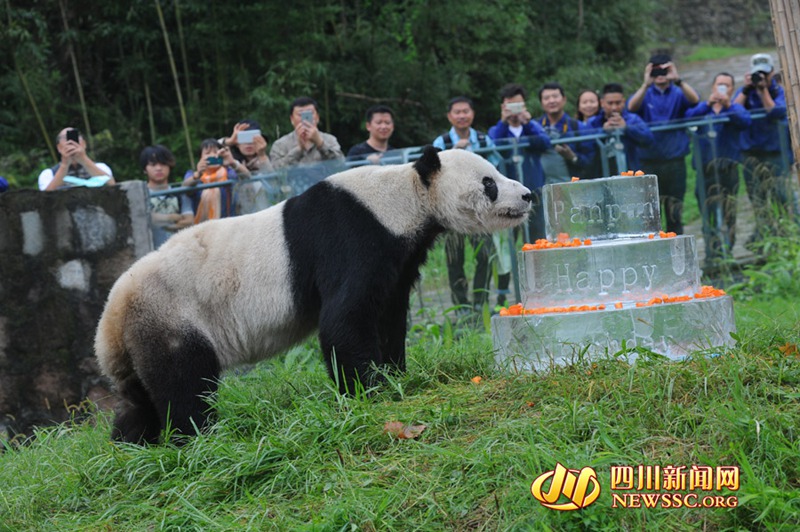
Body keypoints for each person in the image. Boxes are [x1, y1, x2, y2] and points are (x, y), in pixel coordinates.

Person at [433, 96, 502, 311]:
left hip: (482, 209)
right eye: (457, 112)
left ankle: (480, 303)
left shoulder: (483, 140)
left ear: (472, 113)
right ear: (449, 116)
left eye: (465, 111)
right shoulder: (441, 142)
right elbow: (434, 172)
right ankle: (461, 306)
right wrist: (456, 150)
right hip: (453, 210)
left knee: (485, 255)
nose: (462, 115)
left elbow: (496, 165)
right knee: (455, 259)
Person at [627, 53, 700, 235]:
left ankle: (679, 255)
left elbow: (695, 100)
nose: (660, 73)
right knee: (651, 214)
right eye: (656, 69)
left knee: (675, 211)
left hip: (674, 159)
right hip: (648, 161)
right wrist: (646, 83)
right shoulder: (645, 94)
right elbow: (631, 108)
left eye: (664, 69)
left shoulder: (677, 92)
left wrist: (678, 79)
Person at [684, 72, 752, 265]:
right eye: (719, 84)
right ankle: (712, 254)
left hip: (728, 168)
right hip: (704, 170)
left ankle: (728, 250)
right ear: (713, 87)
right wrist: (708, 104)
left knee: (730, 211)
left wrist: (728, 105)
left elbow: (745, 121)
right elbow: (687, 119)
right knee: (707, 212)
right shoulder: (702, 109)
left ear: (732, 89)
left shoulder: (735, 109)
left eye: (727, 85)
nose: (722, 88)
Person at [733, 53, 796, 244]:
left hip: (775, 153)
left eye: (764, 74)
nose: (760, 77)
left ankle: (792, 235)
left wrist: (763, 91)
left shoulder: (779, 91)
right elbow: (733, 111)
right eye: (757, 74)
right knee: (758, 199)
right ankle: (765, 239)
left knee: (783, 196)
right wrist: (745, 90)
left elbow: (775, 111)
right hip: (751, 154)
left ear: (771, 73)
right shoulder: (745, 92)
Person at [487, 84, 551, 241]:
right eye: (510, 105)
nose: (514, 109)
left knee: (537, 236)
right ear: (503, 106)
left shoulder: (533, 126)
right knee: (508, 239)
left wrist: (527, 123)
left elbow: (545, 144)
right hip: (506, 193)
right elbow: (494, 148)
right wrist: (503, 122)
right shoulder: (496, 130)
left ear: (524, 105)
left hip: (533, 189)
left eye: (518, 104)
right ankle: (511, 267)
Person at [585, 83, 654, 179]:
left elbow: (649, 139)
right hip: (602, 175)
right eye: (610, 103)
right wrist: (603, 132)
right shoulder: (593, 122)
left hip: (630, 173)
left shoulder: (633, 119)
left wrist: (627, 128)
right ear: (602, 103)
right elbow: (586, 146)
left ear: (623, 102)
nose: (614, 107)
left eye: (618, 103)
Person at [536, 82, 596, 183]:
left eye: (555, 96)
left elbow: (591, 161)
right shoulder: (534, 127)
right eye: (546, 98)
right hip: (540, 188)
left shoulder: (578, 127)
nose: (551, 101)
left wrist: (573, 157)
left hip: (571, 186)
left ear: (564, 99)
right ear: (541, 103)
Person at [141, 145, 194, 248]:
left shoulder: (179, 192)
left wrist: (161, 222)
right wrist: (171, 217)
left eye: (163, 164)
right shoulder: (141, 195)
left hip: (178, 249)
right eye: (153, 164)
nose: (159, 168)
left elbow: (189, 220)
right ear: (145, 169)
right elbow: (145, 218)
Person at [269, 97, 344, 169]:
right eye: (300, 114)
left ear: (317, 117)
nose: (304, 119)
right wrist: (299, 150)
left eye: (309, 113)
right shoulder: (280, 144)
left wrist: (320, 144)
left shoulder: (330, 139)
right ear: (292, 119)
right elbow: (276, 172)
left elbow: (341, 165)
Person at [38, 127, 115, 191]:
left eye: (75, 137)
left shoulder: (101, 167)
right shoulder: (48, 174)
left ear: (84, 144)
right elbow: (45, 199)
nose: (71, 142)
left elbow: (113, 187)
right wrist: (64, 165)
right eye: (65, 138)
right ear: (59, 147)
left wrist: (83, 159)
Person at [183, 138, 240, 223]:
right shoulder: (193, 174)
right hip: (203, 227)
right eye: (207, 153)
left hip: (228, 223)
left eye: (215, 152)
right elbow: (185, 186)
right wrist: (198, 174)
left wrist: (232, 163)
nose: (212, 155)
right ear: (200, 158)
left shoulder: (228, 172)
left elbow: (246, 176)